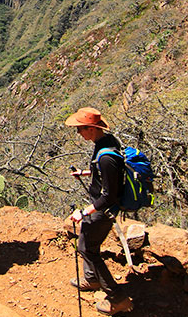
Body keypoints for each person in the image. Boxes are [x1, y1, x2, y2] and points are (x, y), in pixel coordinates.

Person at [66, 107, 134, 316]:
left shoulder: (106, 157)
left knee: (88, 249)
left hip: (102, 210)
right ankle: (92, 278)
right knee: (86, 244)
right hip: (100, 205)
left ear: (92, 129)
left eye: (80, 130)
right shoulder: (106, 143)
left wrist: (84, 212)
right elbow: (109, 173)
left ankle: (117, 298)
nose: (79, 134)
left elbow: (109, 196)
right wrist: (86, 173)